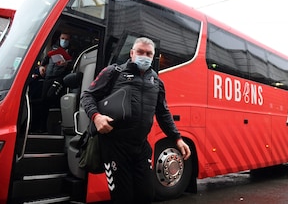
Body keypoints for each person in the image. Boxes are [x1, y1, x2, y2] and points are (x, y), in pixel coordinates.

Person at [81, 37, 191, 203]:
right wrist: (96, 117)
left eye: (148, 53)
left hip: (140, 147)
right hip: (114, 146)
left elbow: (163, 113)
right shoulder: (113, 72)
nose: (144, 56)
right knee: (122, 198)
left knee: (146, 195)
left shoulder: (156, 82)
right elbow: (87, 95)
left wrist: (177, 138)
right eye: (140, 52)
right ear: (132, 53)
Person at [36, 31, 75, 133]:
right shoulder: (54, 48)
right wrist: (41, 67)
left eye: (66, 39)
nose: (64, 41)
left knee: (51, 96)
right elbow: (46, 59)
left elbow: (74, 66)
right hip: (48, 76)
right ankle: (42, 128)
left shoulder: (71, 51)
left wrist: (66, 64)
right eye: (63, 38)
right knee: (43, 101)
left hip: (60, 77)